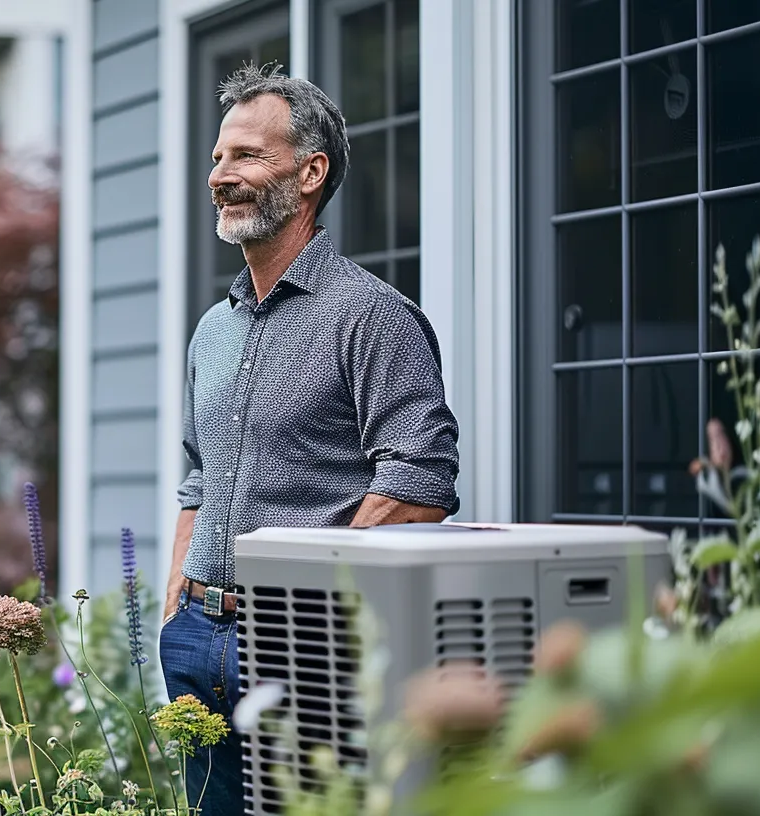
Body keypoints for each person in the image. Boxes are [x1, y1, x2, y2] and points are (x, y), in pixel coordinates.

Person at [159, 63, 460, 811]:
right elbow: (198, 478)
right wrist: (176, 610)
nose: (221, 175)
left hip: (303, 644)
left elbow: (418, 485)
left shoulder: (374, 317)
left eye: (247, 156)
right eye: (218, 157)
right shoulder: (212, 331)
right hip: (197, 640)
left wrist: (313, 611)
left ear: (310, 172)